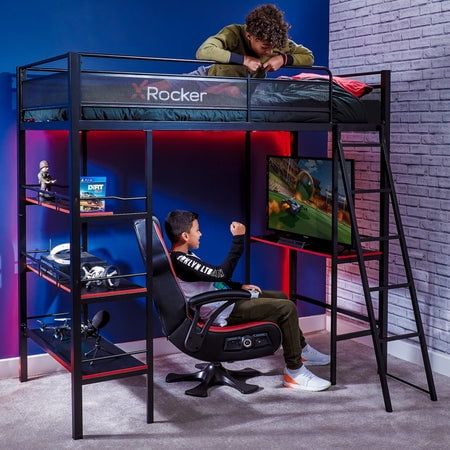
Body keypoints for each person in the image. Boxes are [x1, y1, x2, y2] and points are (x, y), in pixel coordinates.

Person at [165, 210, 331, 392]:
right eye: (197, 230)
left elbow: (210, 279)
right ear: (185, 235)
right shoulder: (182, 260)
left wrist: (238, 287)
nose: (201, 234)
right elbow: (221, 273)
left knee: (281, 297)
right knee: (287, 308)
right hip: (221, 311)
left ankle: (303, 350)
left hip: (223, 303)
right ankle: (295, 371)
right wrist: (238, 238)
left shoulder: (183, 256)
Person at [195, 4, 314, 78]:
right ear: (249, 36)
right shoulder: (233, 33)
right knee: (176, 87)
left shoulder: (277, 41)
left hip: (244, 88)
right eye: (264, 47)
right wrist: (244, 60)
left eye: (273, 46)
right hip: (210, 77)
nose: (269, 51)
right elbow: (204, 51)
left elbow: (308, 57)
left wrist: (283, 59)